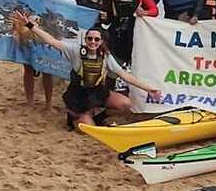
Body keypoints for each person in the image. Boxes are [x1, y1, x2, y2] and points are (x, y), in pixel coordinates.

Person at [11, 11, 161, 129]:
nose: (93, 42)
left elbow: (125, 76)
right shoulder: (75, 51)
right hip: (78, 96)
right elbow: (51, 40)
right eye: (90, 39)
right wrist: (30, 25)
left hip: (97, 92)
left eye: (96, 39)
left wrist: (149, 89)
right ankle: (75, 118)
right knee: (86, 129)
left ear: (101, 41)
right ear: (85, 40)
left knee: (126, 104)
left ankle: (99, 117)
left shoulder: (105, 56)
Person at [57, 0, 158, 65]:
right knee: (110, 60)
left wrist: (144, 13)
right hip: (115, 29)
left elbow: (155, 11)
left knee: (134, 60)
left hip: (133, 30)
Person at [13, 0, 71, 110]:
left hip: (47, 29)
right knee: (28, 67)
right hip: (25, 28)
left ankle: (48, 103)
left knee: (46, 67)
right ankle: (30, 101)